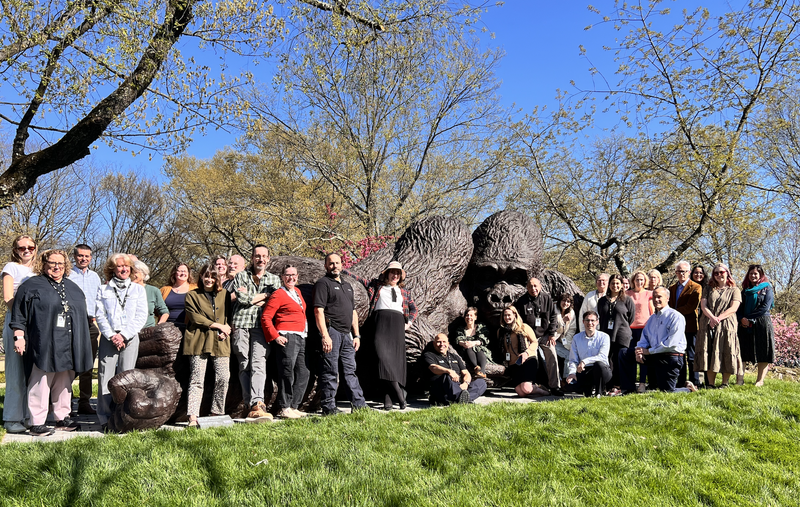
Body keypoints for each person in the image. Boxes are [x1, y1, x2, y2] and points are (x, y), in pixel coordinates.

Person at [10, 249, 93, 436]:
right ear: (44, 264)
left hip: (69, 343)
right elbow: (19, 314)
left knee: (64, 381)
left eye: (61, 264)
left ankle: (62, 417)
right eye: (52, 263)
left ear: (66, 265)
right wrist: (19, 337)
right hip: (44, 342)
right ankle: (36, 422)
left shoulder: (73, 287)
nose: (57, 267)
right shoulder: (31, 286)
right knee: (41, 381)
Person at [345, 261, 417, 410]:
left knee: (394, 363)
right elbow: (358, 279)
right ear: (386, 273)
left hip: (397, 325)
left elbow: (413, 309)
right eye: (392, 272)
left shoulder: (405, 292)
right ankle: (399, 394)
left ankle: (388, 400)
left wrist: (409, 322)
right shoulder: (377, 286)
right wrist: (343, 271)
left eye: (398, 273)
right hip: (380, 323)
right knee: (382, 358)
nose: (395, 275)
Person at [95, 253, 148, 428]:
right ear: (112, 269)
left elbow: (141, 316)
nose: (123, 269)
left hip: (130, 337)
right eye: (119, 266)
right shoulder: (103, 290)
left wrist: (124, 335)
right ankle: (105, 417)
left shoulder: (138, 290)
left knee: (127, 376)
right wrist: (112, 335)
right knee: (106, 377)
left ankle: (124, 415)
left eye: (127, 266)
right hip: (109, 337)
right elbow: (100, 315)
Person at [229, 245, 281, 420]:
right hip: (241, 325)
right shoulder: (241, 276)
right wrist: (264, 296)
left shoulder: (274, 279)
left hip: (261, 326)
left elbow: (275, 301)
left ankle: (258, 403)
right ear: (252, 258)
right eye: (257, 256)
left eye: (264, 256)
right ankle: (249, 403)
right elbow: (242, 299)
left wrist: (254, 299)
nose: (260, 259)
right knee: (244, 364)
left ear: (268, 259)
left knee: (259, 364)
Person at [313, 253, 368, 415]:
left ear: (342, 265)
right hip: (332, 331)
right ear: (326, 266)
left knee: (350, 370)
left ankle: (359, 406)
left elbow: (353, 312)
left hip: (347, 335)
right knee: (330, 370)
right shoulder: (323, 284)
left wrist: (356, 335)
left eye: (337, 263)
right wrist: (325, 335)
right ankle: (329, 408)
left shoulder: (347, 286)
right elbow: (318, 311)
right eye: (331, 263)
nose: (334, 266)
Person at [184, 264, 232, 427]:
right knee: (197, 379)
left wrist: (225, 330)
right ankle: (192, 416)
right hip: (198, 340)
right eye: (206, 276)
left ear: (217, 278)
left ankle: (216, 412)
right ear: (201, 277)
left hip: (220, 342)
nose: (209, 279)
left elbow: (228, 317)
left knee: (223, 377)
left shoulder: (224, 294)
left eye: (212, 276)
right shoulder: (192, 295)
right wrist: (218, 326)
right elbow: (195, 318)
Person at [261, 264, 310, 419]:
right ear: (282, 277)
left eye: (294, 274)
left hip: (301, 336)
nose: (291, 278)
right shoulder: (278, 294)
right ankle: (284, 407)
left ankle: (294, 405)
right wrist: (275, 336)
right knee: (286, 373)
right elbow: (266, 317)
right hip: (287, 336)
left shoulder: (297, 292)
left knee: (303, 372)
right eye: (287, 275)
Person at [624, 287, 693, 392]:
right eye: (654, 297)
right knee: (624, 354)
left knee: (666, 392)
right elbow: (645, 337)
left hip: (671, 357)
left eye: (659, 297)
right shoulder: (652, 319)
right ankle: (628, 389)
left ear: (667, 298)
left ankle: (688, 390)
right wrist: (639, 350)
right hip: (655, 355)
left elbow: (671, 344)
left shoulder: (676, 317)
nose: (656, 300)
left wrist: (648, 351)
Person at [2, 234, 38, 433]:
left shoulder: (40, 270)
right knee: (15, 371)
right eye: (21, 248)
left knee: (32, 373)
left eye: (30, 247)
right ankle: (11, 418)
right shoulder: (11, 267)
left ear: (35, 248)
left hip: (37, 325)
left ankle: (28, 415)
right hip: (17, 322)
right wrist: (20, 318)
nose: (26, 251)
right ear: (15, 250)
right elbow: (8, 297)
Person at [67, 244, 103, 415]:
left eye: (87, 256)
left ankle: (84, 401)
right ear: (74, 257)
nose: (84, 259)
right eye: (80, 256)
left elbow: (98, 299)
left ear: (91, 258)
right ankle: (65, 401)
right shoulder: (68, 275)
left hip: (89, 322)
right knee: (69, 364)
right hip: (70, 322)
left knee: (88, 364)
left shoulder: (95, 277)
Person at [695, 263, 742, 388]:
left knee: (727, 349)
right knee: (710, 351)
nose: (719, 275)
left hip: (727, 324)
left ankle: (724, 382)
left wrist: (719, 318)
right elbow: (703, 305)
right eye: (716, 273)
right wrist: (712, 318)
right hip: (708, 323)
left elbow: (734, 307)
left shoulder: (735, 290)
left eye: (721, 272)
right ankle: (710, 383)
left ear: (727, 273)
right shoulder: (708, 289)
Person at [514, 277, 562, 396]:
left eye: (535, 286)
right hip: (529, 337)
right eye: (530, 286)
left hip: (545, 334)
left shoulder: (547, 298)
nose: (533, 289)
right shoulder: (521, 301)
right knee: (531, 360)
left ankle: (555, 386)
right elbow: (518, 321)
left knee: (552, 356)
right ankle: (531, 385)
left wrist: (552, 334)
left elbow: (553, 317)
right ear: (527, 287)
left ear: (540, 286)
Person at [738, 264, 775, 387]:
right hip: (745, 324)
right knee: (743, 351)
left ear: (760, 275)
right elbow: (739, 308)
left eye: (756, 273)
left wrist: (749, 318)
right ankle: (740, 380)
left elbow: (765, 307)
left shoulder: (767, 288)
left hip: (762, 322)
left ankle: (760, 380)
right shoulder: (744, 291)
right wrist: (742, 319)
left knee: (763, 351)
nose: (753, 275)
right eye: (751, 273)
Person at [423, 333, 487, 405]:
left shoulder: (454, 357)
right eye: (439, 342)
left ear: (448, 344)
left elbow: (466, 373)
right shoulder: (429, 355)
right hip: (441, 389)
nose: (442, 344)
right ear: (434, 344)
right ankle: (462, 398)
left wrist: (465, 383)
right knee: (446, 376)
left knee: (481, 382)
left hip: (458, 386)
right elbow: (433, 367)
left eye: (444, 342)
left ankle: (461, 398)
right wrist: (449, 371)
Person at [597, 274, 635, 391]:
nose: (615, 285)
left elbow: (631, 318)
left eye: (618, 283)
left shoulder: (627, 300)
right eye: (613, 283)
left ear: (622, 285)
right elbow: (601, 315)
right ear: (609, 285)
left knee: (620, 360)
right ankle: (609, 385)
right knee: (608, 359)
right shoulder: (602, 300)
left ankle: (620, 385)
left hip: (622, 334)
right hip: (605, 334)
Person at [498, 306, 547, 396]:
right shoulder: (501, 331)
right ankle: (534, 387)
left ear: (515, 315)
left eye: (509, 315)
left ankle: (541, 390)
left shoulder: (524, 327)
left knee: (526, 389)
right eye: (505, 315)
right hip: (514, 363)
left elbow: (535, 342)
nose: (507, 317)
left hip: (527, 359)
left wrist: (526, 352)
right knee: (521, 393)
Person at [669, 261, 702, 389]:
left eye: (683, 271)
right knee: (679, 354)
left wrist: (672, 312)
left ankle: (695, 381)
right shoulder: (672, 288)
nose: (680, 274)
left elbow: (691, 306)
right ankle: (681, 380)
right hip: (675, 327)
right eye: (678, 271)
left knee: (691, 355)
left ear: (689, 272)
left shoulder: (695, 287)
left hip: (690, 325)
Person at [565, 311, 611, 397]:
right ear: (583, 322)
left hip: (602, 371)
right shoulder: (576, 338)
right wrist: (572, 373)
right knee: (571, 387)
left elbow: (602, 357)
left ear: (597, 322)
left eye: (592, 320)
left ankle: (599, 392)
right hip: (585, 371)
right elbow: (573, 359)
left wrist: (584, 361)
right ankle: (590, 389)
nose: (590, 323)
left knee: (599, 365)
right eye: (587, 320)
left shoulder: (604, 337)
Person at [627, 270, 654, 391]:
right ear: (633, 281)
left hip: (644, 329)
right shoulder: (627, 294)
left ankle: (642, 383)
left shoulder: (649, 294)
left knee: (643, 356)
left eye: (642, 279)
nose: (639, 282)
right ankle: (631, 382)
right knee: (631, 356)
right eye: (637, 279)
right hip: (630, 329)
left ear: (645, 281)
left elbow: (652, 312)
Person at [451, 306, 494, 380]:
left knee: (479, 350)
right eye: (467, 315)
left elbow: (484, 339)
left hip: (479, 348)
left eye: (471, 315)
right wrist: (463, 343)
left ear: (475, 317)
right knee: (469, 348)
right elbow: (458, 339)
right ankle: (476, 367)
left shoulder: (481, 327)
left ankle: (482, 371)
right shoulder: (461, 329)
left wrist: (474, 343)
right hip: (466, 350)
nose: (469, 317)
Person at [160, 263, 197, 334]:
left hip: (187, 329)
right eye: (180, 271)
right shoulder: (164, 290)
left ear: (189, 274)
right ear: (174, 273)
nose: (183, 273)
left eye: (185, 271)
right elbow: (156, 309)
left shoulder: (195, 289)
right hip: (166, 329)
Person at [132, 260, 169, 328]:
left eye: (136, 272)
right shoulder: (124, 290)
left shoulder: (154, 290)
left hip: (148, 332)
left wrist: (159, 326)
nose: (133, 275)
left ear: (144, 275)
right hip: (129, 332)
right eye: (131, 273)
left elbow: (164, 312)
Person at [553, 294, 577, 380]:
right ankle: (557, 381)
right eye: (563, 300)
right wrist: (562, 322)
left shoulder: (571, 313)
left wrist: (567, 344)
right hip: (551, 339)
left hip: (563, 340)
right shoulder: (553, 309)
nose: (565, 303)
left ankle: (567, 379)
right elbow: (550, 327)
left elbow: (572, 329)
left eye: (568, 301)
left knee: (571, 354)